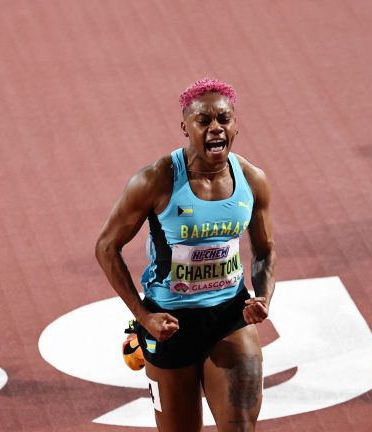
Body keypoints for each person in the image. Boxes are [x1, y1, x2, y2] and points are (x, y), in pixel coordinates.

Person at [95, 78, 276, 431]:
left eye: (223, 119)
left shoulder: (252, 181)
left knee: (241, 426)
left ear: (236, 124)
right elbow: (106, 247)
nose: (215, 129)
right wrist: (143, 316)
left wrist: (264, 295)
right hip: (170, 324)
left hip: (229, 315)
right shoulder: (156, 180)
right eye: (204, 121)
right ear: (185, 128)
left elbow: (265, 250)